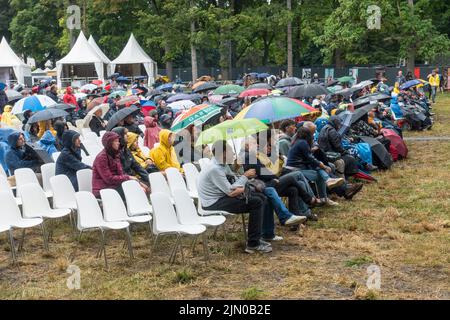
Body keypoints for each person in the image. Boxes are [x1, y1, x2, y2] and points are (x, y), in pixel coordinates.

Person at [197, 141, 272, 254]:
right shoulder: (215, 169)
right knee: (256, 202)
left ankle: (259, 236)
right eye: (230, 151)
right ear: (223, 153)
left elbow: (233, 180)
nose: (233, 153)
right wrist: (245, 176)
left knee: (261, 197)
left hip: (221, 197)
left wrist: (237, 170)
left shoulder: (222, 164)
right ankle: (253, 244)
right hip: (212, 203)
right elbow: (231, 192)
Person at [92, 131, 139, 199]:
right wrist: (128, 177)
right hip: (103, 189)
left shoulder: (115, 154)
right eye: (116, 141)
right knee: (131, 190)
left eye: (118, 141)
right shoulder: (101, 158)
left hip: (114, 186)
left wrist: (131, 179)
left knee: (134, 186)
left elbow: (120, 174)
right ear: (110, 143)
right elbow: (109, 179)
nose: (119, 143)